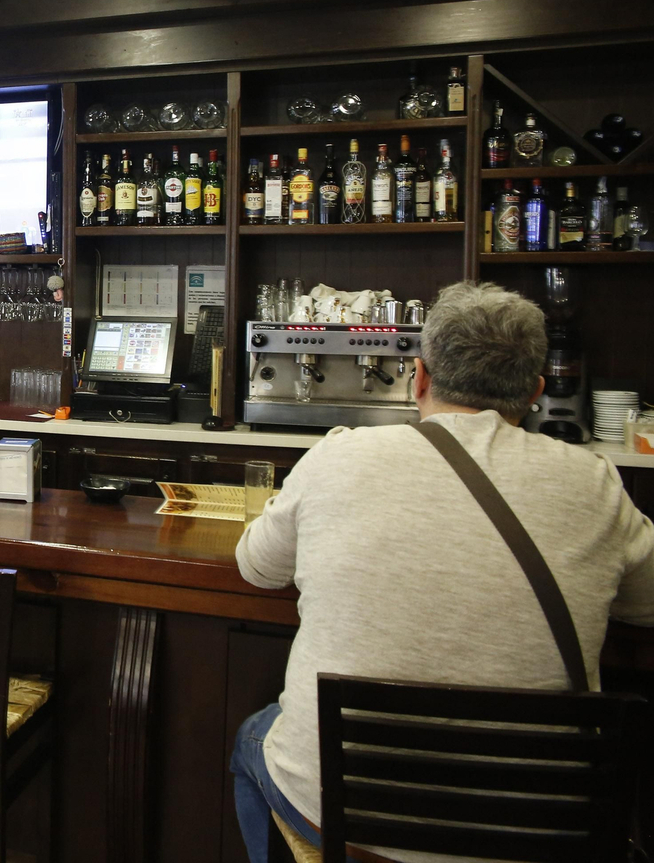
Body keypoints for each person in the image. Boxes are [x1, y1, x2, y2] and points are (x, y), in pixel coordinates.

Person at [231, 281, 654, 863]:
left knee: (253, 738)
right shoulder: (595, 483)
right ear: (534, 391)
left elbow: (255, 567)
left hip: (342, 815)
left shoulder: (339, 455)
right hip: (536, 826)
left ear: (420, 376)